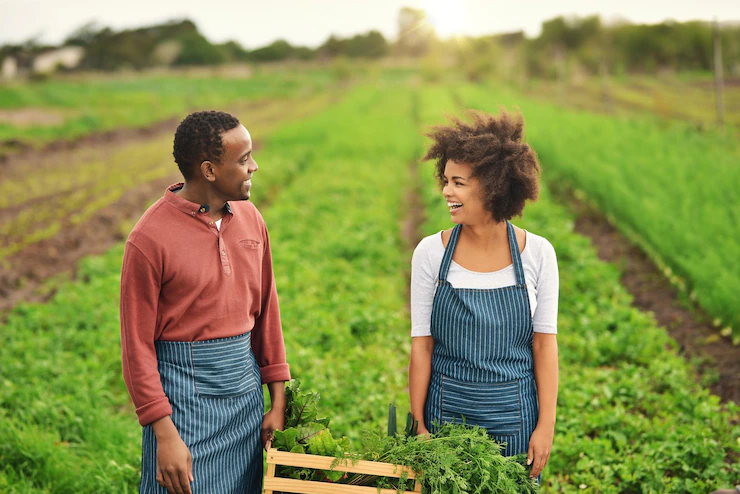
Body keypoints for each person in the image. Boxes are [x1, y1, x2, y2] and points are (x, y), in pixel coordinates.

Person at [120, 110, 290, 494]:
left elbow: (267, 315)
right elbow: (137, 347)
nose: (255, 167)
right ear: (210, 170)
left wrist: (277, 399)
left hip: (245, 399)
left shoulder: (251, 219)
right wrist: (164, 435)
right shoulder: (149, 239)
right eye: (244, 159)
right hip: (183, 407)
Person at [408, 109, 559, 482]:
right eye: (445, 180)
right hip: (446, 416)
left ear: (493, 186)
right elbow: (422, 346)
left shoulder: (538, 254)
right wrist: (418, 425)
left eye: (458, 183)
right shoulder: (430, 253)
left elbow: (544, 345)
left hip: (515, 419)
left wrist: (546, 427)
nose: (446, 191)